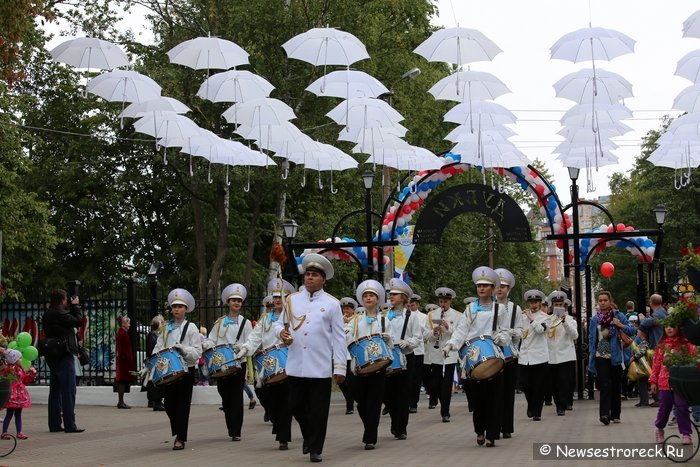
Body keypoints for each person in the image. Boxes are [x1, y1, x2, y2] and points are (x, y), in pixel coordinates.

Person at [276, 253, 347, 463]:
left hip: (320, 365)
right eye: (307, 274)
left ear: (323, 280)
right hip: (296, 364)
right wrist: (280, 333)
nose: (309, 278)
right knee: (295, 404)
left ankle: (316, 448)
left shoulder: (332, 304)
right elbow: (280, 324)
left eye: (315, 275)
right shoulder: (292, 300)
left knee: (318, 411)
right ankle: (309, 435)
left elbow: (339, 337)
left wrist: (340, 367)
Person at [444, 266, 509, 447]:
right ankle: (480, 431)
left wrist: (500, 338)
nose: (481, 288)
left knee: (495, 397)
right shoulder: (470, 309)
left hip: (494, 355)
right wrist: (452, 344)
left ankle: (492, 434)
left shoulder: (500, 309)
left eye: (486, 285)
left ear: (492, 288)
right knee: (478, 398)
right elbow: (461, 330)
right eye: (479, 285)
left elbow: (506, 334)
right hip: (473, 357)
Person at [236, 278, 295, 450]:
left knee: (285, 401)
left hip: (288, 364)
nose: (277, 300)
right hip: (267, 367)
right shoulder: (265, 319)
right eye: (275, 296)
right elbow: (255, 338)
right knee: (264, 395)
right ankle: (279, 424)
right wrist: (245, 348)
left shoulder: (293, 317)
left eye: (281, 296)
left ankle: (283, 437)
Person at [152, 288, 202, 451]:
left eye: (180, 306)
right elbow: (158, 348)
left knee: (183, 405)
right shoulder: (166, 328)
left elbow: (197, 352)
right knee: (169, 404)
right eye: (174, 307)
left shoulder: (192, 327)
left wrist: (184, 350)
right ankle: (178, 429)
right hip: (168, 372)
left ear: (186, 309)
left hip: (186, 370)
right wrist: (154, 360)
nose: (176, 310)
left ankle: (180, 438)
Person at [345, 279, 391, 450]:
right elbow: (346, 336)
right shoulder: (355, 320)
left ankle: (370, 436)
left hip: (378, 367)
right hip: (359, 367)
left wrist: (389, 340)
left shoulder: (384, 320)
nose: (368, 298)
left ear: (377, 299)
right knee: (360, 400)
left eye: (371, 295)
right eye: (365, 296)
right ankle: (369, 426)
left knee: (374, 401)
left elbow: (391, 341)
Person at [205, 283, 253, 442]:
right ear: (228, 303)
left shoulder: (245, 323)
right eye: (233, 300)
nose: (236, 303)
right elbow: (211, 340)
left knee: (237, 396)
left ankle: (236, 430)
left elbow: (251, 342)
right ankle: (230, 422)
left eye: (239, 301)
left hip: (239, 362)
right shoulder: (220, 322)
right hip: (221, 363)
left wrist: (244, 348)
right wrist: (206, 344)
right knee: (224, 394)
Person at [383, 278, 423, 440]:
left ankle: (401, 427)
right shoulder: (384, 316)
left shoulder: (411, 316)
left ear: (404, 298)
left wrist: (408, 343)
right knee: (388, 393)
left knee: (403, 393)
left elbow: (417, 338)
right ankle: (394, 420)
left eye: (395, 294)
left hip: (406, 357)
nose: (391, 297)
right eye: (391, 294)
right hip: (389, 357)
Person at [587, 290, 635, 426]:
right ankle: (604, 414)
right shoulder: (595, 319)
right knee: (605, 384)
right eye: (600, 300)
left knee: (615, 385)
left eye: (605, 300)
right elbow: (591, 338)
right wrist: (591, 353)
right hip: (600, 355)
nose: (602, 303)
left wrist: (620, 325)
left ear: (610, 301)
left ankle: (615, 414)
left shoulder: (618, 315)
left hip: (615, 355)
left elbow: (632, 330)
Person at [42, 288, 84, 433]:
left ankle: (54, 424)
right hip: (63, 354)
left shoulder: (48, 314)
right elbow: (78, 321)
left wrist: (71, 308)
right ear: (62, 300)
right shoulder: (59, 314)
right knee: (68, 390)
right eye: (66, 299)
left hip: (52, 355)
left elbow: (69, 321)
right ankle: (70, 425)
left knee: (55, 391)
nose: (67, 301)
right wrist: (76, 306)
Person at [649, 325, 695, 445]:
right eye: (666, 327)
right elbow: (656, 364)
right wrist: (653, 381)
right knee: (664, 408)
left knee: (682, 407)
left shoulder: (685, 344)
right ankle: (659, 428)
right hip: (664, 382)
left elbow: (693, 359)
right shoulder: (661, 345)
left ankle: (686, 433)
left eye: (672, 327)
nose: (669, 329)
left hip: (680, 382)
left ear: (678, 328)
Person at [494, 268, 523, 438]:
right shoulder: (488, 306)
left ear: (509, 289)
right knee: (495, 392)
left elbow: (520, 332)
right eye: (497, 286)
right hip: (493, 355)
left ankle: (506, 427)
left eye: (503, 286)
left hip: (510, 355)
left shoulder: (515, 309)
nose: (500, 289)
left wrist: (509, 332)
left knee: (508, 392)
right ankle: (494, 425)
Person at [424, 287, 460, 423]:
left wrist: (448, 327)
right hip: (436, 352)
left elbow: (459, 333)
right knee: (435, 383)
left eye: (445, 301)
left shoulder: (457, 315)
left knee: (447, 384)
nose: (443, 304)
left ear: (450, 301)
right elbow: (425, 335)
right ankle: (441, 400)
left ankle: (445, 411)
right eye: (441, 301)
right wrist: (433, 331)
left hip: (449, 353)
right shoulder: (431, 315)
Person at [518, 289, 549, 422]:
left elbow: (540, 330)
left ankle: (537, 412)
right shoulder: (522, 316)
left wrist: (531, 319)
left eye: (536, 302)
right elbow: (519, 334)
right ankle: (531, 404)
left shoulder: (545, 317)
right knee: (525, 384)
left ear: (540, 303)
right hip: (525, 356)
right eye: (531, 302)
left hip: (539, 356)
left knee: (539, 385)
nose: (533, 305)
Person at [546, 291, 578, 417]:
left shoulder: (570, 320)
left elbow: (575, 335)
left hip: (566, 356)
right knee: (553, 383)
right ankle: (558, 402)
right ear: (552, 306)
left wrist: (564, 322)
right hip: (552, 356)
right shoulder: (548, 320)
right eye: (556, 304)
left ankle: (562, 406)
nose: (558, 306)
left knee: (564, 382)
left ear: (564, 306)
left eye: (560, 304)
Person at [1, 349, 37, 440]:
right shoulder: (7, 369)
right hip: (12, 394)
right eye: (19, 358)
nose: (21, 360)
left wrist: (32, 374)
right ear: (14, 359)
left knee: (18, 413)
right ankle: (4, 432)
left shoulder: (20, 369)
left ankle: (19, 432)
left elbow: (25, 380)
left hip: (20, 395)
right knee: (9, 413)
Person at [407, 294, 427, 414]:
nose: (411, 307)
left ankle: (413, 403)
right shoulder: (403, 315)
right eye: (409, 305)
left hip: (418, 351)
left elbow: (423, 331)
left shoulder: (423, 317)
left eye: (413, 305)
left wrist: (412, 319)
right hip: (406, 349)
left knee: (415, 379)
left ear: (417, 305)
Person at [339, 297, 359, 414]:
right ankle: (350, 399)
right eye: (344, 309)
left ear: (353, 310)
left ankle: (349, 406)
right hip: (340, 355)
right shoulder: (339, 320)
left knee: (350, 381)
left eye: (348, 309)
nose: (345, 311)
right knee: (340, 381)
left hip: (350, 355)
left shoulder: (356, 320)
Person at [114, 315, 136, 409]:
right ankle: (121, 402)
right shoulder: (123, 334)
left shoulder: (121, 333)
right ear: (124, 323)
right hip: (124, 361)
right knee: (122, 380)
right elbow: (124, 349)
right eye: (128, 323)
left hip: (123, 360)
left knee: (122, 380)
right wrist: (128, 359)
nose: (130, 325)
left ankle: (121, 401)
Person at [145, 314, 165, 411]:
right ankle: (156, 402)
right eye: (162, 321)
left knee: (159, 382)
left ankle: (159, 401)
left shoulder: (158, 335)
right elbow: (150, 350)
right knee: (156, 383)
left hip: (159, 361)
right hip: (154, 361)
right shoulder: (152, 335)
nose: (164, 323)